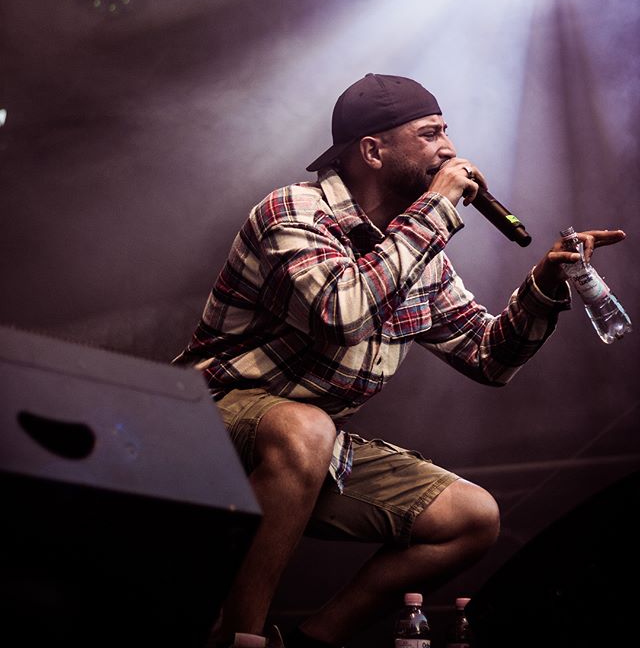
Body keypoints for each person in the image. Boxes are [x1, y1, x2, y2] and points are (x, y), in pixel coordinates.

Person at [173, 73, 625, 648]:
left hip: (307, 447)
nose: (450, 150)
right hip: (204, 419)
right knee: (304, 428)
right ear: (372, 150)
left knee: (472, 517)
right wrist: (435, 208)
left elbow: (489, 358)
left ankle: (314, 642)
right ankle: (240, 639)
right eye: (430, 134)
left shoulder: (416, 253)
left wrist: (543, 285)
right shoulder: (295, 211)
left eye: (446, 132)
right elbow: (342, 313)